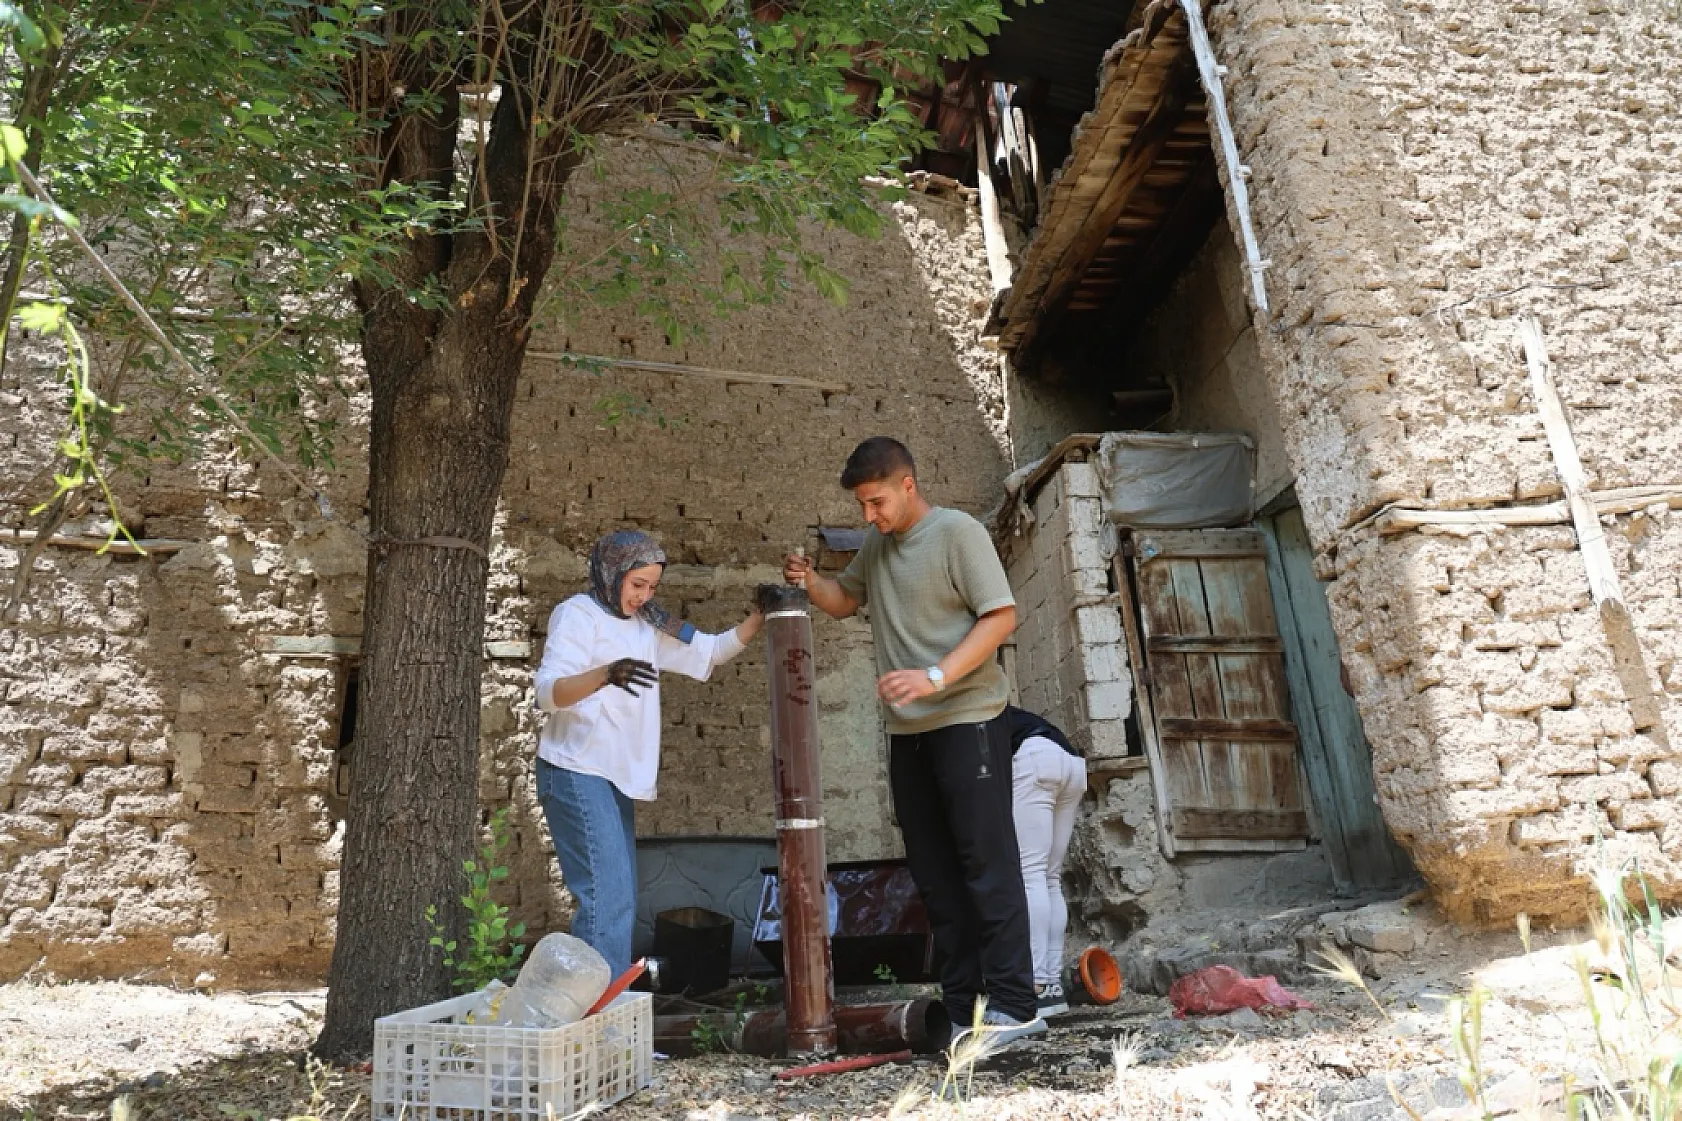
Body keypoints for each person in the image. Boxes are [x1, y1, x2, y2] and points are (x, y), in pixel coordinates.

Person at [783, 436, 1044, 1046]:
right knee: (934, 875)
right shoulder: (877, 545)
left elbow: (1002, 616)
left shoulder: (958, 534)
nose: (868, 517)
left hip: (970, 721)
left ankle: (1016, 1005)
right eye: (861, 506)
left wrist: (934, 676)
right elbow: (845, 601)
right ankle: (964, 1010)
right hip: (910, 736)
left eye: (876, 502)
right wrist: (811, 581)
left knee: (988, 866)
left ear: (907, 484)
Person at [534, 529, 762, 976]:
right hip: (575, 769)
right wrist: (605, 674)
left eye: (652, 586)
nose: (644, 595)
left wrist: (759, 617)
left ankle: (599, 1007)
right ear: (611, 573)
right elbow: (547, 694)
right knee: (607, 895)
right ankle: (599, 1016)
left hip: (612, 777)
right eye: (637, 584)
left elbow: (711, 652)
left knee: (616, 895)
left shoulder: (650, 624)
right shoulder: (577, 615)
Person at [1004, 705, 1087, 1018]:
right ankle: (1052, 985)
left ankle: (1035, 983)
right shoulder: (1013, 713)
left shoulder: (980, 712)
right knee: (1050, 877)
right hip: (1073, 764)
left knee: (1030, 874)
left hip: (1036, 759)